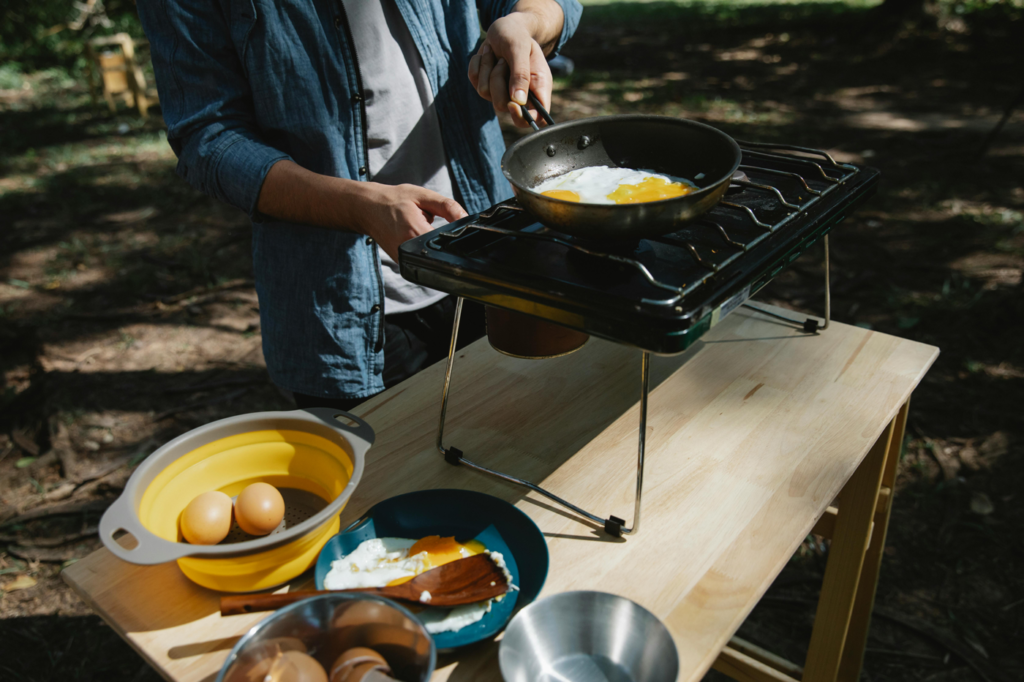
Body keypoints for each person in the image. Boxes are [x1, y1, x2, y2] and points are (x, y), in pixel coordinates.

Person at [136, 0, 583, 410]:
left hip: (492, 265)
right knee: (386, 491)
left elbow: (551, 4)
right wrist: (358, 207)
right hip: (342, 312)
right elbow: (209, 139)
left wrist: (526, 24)